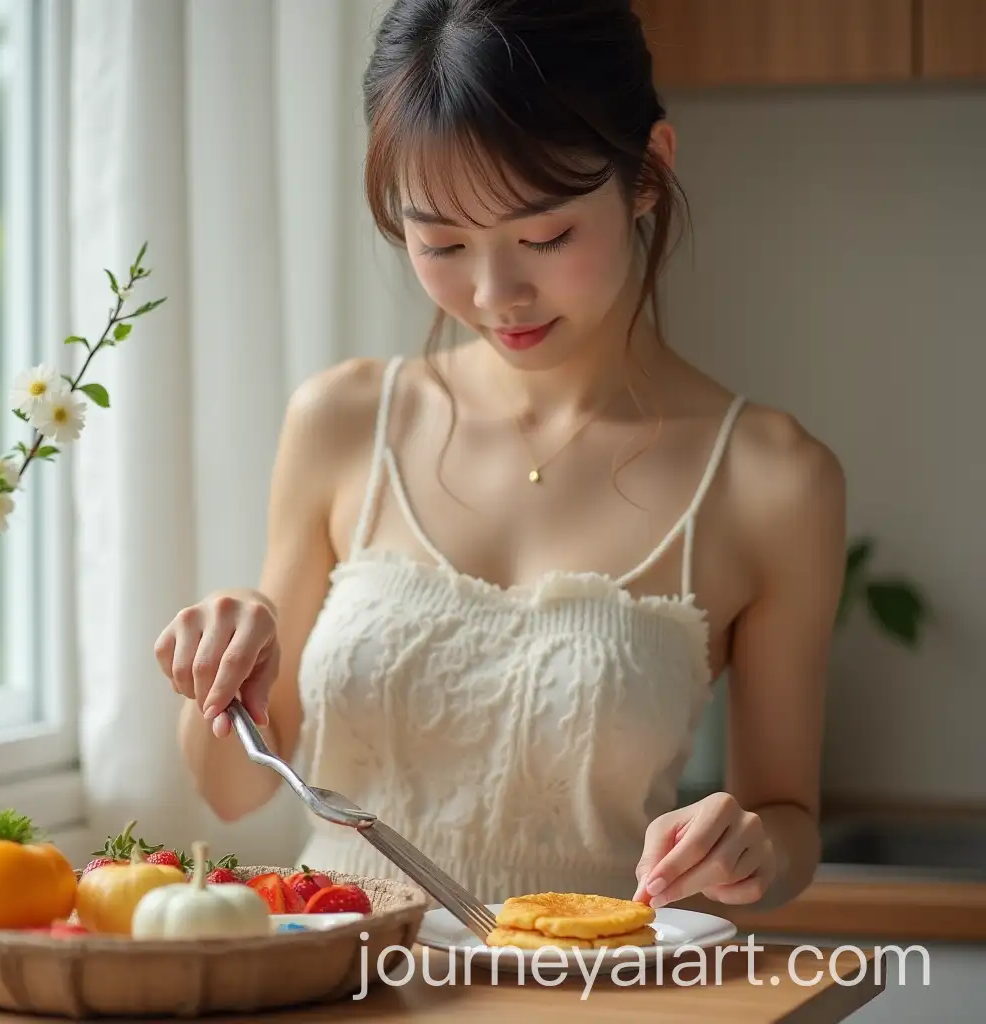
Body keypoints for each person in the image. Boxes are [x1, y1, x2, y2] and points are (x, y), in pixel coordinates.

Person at [155, 0, 845, 912]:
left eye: (546, 236)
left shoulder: (773, 481)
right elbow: (233, 787)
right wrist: (225, 664)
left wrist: (749, 845)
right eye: (439, 242)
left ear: (647, 173)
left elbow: (789, 820)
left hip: (587, 995)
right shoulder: (344, 419)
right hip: (343, 991)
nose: (496, 293)